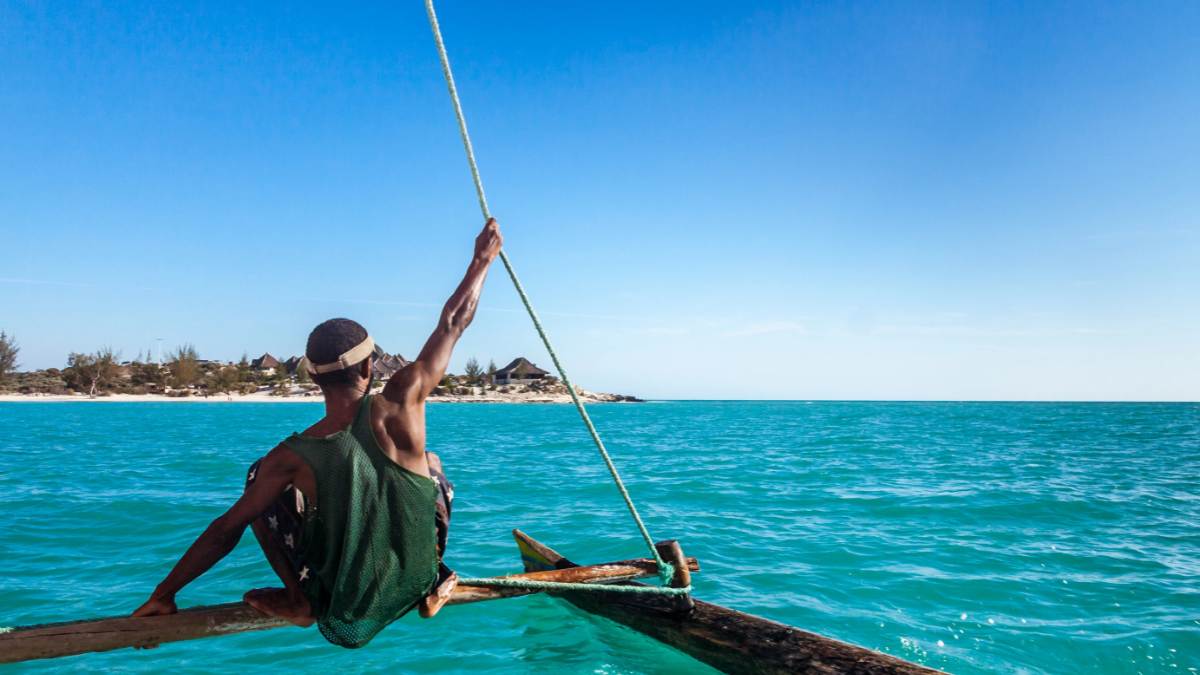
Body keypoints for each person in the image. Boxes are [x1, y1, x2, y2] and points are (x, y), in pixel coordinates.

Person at [132, 218, 503, 648]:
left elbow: (224, 530)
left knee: (259, 483)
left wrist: (165, 593)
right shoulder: (403, 401)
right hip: (411, 580)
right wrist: (482, 259)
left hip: (342, 600)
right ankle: (432, 578)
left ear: (313, 378)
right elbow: (453, 323)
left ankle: (299, 599)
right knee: (432, 464)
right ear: (369, 368)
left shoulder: (290, 457)